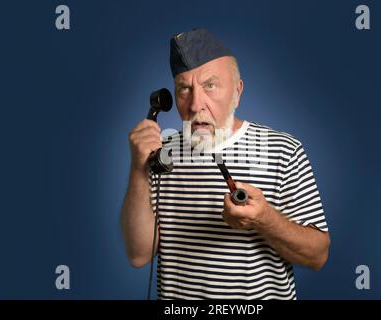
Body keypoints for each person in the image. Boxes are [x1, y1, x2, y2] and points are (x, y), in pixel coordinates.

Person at [121, 28, 330, 300]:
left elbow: (317, 256)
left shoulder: (284, 150)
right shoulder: (160, 155)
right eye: (184, 88)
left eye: (210, 85)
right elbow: (138, 255)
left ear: (237, 91)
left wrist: (264, 219)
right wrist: (138, 168)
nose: (196, 104)